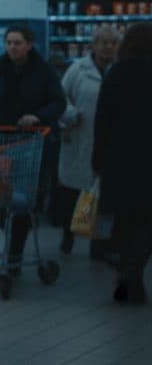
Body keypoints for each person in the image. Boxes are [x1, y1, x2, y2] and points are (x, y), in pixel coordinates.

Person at [0, 25, 66, 271]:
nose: (12, 47)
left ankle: (14, 252)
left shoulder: (44, 71)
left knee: (23, 200)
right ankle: (13, 238)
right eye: (9, 43)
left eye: (17, 43)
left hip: (35, 144)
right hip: (3, 142)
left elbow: (59, 102)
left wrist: (37, 117)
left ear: (29, 44)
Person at [92, 22, 152, 304]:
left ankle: (127, 269)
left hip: (119, 159)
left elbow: (102, 121)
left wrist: (98, 160)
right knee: (147, 221)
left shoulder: (115, 74)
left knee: (125, 219)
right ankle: (134, 270)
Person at [56, 25, 119, 257]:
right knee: (73, 192)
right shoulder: (77, 70)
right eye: (103, 42)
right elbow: (60, 98)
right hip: (79, 138)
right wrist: (71, 114)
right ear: (93, 45)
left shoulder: (119, 70)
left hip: (109, 142)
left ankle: (99, 244)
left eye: (113, 43)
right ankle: (68, 235)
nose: (108, 47)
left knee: (104, 196)